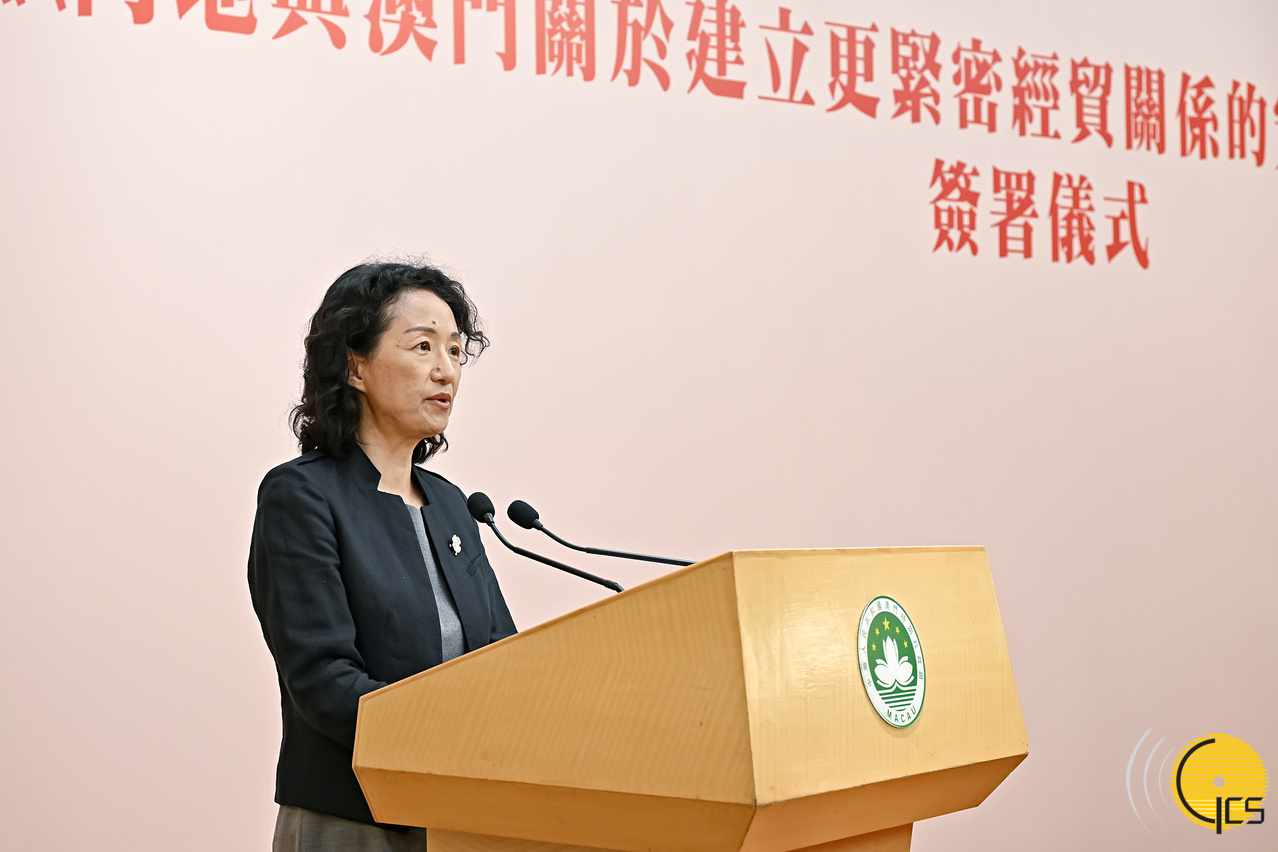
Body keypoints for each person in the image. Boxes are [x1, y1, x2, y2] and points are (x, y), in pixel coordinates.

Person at [248, 261, 517, 852]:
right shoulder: (301, 495)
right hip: (353, 818)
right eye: (422, 346)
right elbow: (323, 679)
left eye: (454, 351)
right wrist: (447, 741)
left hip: (460, 815)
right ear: (355, 366)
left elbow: (503, 658)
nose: (446, 370)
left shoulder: (452, 506)